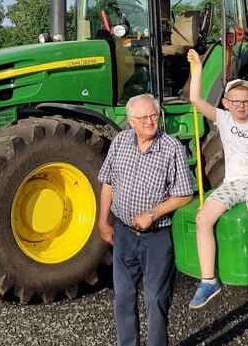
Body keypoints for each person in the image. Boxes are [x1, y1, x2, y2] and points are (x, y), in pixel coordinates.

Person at [185, 49, 248, 315]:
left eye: (246, 101)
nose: (242, 106)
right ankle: (209, 281)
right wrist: (197, 68)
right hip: (232, 182)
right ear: (226, 103)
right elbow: (195, 99)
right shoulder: (223, 119)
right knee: (202, 219)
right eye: (236, 101)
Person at [98, 93, 194, 346]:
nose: (150, 121)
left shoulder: (171, 148)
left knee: (155, 299)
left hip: (157, 238)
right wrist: (102, 221)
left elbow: (184, 194)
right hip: (124, 233)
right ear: (131, 121)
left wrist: (154, 213)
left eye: (153, 116)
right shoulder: (119, 142)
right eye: (143, 118)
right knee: (123, 296)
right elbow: (107, 182)